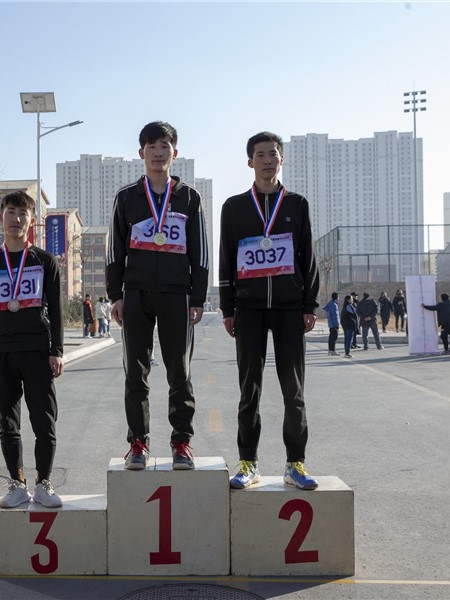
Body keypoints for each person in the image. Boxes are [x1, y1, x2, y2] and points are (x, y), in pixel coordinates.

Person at [106, 121, 208, 471]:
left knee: (179, 372)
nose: (158, 153)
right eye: (152, 146)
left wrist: (198, 297)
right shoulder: (126, 198)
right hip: (135, 293)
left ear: (174, 153)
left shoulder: (190, 198)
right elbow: (114, 251)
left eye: (165, 146)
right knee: (135, 372)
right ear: (142, 153)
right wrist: (116, 295)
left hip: (177, 294)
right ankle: (138, 443)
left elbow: (200, 252)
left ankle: (181, 442)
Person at [220, 131, 319, 491]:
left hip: (289, 308)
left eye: (273, 154)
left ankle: (296, 464)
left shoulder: (297, 204)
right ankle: (248, 463)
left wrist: (309, 304)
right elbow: (227, 258)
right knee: (250, 390)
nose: (267, 160)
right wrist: (228, 307)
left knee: (294, 391)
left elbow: (307, 257)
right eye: (260, 155)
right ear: (250, 161)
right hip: (248, 308)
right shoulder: (234, 207)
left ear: (281, 159)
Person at [0, 191, 65, 509]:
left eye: (23, 213)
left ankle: (44, 483)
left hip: (37, 350)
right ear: (1, 218)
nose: (16, 218)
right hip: (2, 353)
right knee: (8, 424)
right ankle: (17, 484)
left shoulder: (45, 261)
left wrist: (57, 350)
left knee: (44, 423)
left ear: (32, 220)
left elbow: (56, 308)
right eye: (10, 212)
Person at [324, 292, 340, 356]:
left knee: (331, 337)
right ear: (337, 297)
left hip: (330, 323)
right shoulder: (334, 305)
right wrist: (337, 324)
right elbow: (335, 316)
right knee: (334, 338)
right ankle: (333, 350)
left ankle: (330, 350)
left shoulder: (330, 304)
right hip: (334, 324)